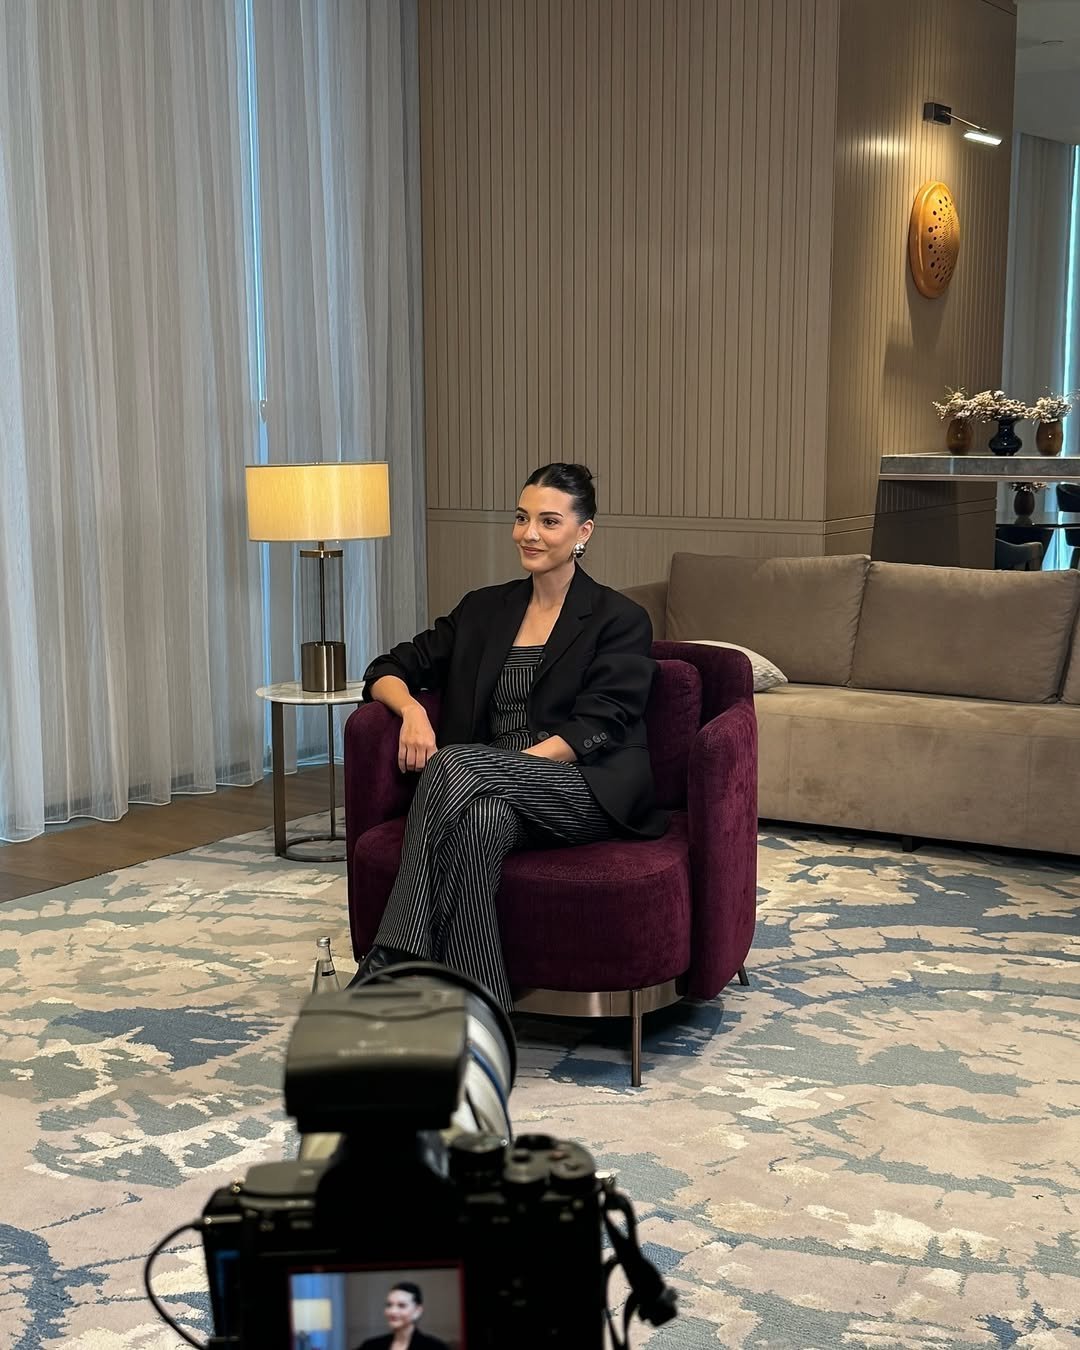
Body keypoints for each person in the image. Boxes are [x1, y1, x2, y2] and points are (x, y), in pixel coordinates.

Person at [357, 462, 666, 1011]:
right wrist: (412, 712)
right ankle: (483, 1011)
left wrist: (506, 768)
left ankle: (393, 952)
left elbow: (598, 724)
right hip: (486, 788)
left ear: (583, 532)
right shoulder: (483, 609)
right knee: (481, 822)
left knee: (453, 764)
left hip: (583, 786)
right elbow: (388, 668)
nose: (530, 534)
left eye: (549, 521)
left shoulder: (619, 618)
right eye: (522, 518)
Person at [354, 1280, 449, 1350]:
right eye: (389, 1305)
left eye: (401, 1306)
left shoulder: (434, 1347)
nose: (392, 1311)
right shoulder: (371, 1346)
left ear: (417, 1311)